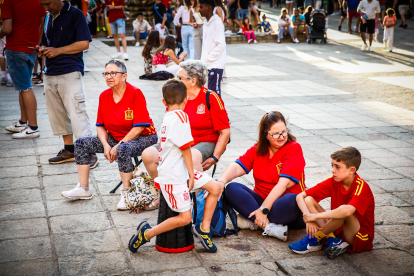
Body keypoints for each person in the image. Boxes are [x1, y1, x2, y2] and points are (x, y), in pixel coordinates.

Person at [128, 79, 224, 253]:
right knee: (185, 219)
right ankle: (146, 234)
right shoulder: (181, 117)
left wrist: (190, 174)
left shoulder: (169, 115)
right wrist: (191, 174)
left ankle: (204, 229)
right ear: (186, 100)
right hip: (174, 176)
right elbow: (186, 149)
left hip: (182, 171)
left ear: (164, 102)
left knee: (216, 187)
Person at [62, 60, 158, 210]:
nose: (109, 76)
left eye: (113, 73)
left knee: (123, 149)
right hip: (116, 137)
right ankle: (83, 188)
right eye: (106, 73)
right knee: (80, 143)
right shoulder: (104, 96)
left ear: (124, 76)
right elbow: (100, 126)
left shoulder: (135, 93)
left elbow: (139, 127)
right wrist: (106, 145)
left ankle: (127, 193)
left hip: (143, 137)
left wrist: (119, 145)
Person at [141, 60, 230, 208]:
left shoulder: (211, 97)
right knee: (148, 154)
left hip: (206, 141)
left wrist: (215, 157)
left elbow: (225, 131)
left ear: (193, 81)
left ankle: (198, 204)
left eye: (180, 77)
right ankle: (166, 194)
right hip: (180, 142)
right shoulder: (178, 97)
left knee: (193, 156)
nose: (176, 80)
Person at [219, 111, 306, 241]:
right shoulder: (258, 149)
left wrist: (263, 210)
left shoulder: (294, 148)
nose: (281, 137)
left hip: (286, 208)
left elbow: (283, 184)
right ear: (265, 134)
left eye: (284, 131)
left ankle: (256, 221)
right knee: (232, 188)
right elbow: (237, 167)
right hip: (261, 202)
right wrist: (220, 182)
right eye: (275, 134)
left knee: (291, 200)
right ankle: (269, 226)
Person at [37, 0, 98, 167]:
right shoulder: (49, 17)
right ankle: (69, 149)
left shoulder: (75, 14)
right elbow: (45, 41)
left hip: (70, 70)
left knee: (77, 112)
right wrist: (42, 49)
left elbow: (84, 43)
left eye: (47, 3)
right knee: (57, 114)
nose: (46, 7)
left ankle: (88, 151)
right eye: (43, 4)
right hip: (50, 71)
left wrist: (58, 50)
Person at [289, 147, 375, 259]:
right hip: (338, 229)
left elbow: (347, 211)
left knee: (344, 211)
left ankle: (316, 238)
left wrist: (315, 216)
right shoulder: (334, 181)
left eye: (337, 167)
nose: (332, 170)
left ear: (352, 170)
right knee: (309, 199)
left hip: (358, 237)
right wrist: (308, 219)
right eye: (332, 165)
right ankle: (332, 239)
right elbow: (301, 196)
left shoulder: (361, 187)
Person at [1, 0, 46, 139]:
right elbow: (42, 23)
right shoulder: (38, 1)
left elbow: (7, 29)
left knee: (25, 87)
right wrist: (37, 43)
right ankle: (23, 122)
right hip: (31, 48)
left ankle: (33, 127)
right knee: (23, 85)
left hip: (16, 48)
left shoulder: (9, 2)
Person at [199, 0, 226, 97]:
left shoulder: (217, 23)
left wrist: (209, 58)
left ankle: (219, 113)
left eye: (201, 7)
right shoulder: (206, 22)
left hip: (215, 65)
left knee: (215, 95)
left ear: (209, 7)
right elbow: (206, 45)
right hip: (208, 65)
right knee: (210, 95)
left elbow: (221, 45)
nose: (199, 10)